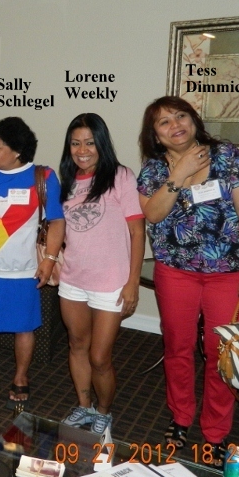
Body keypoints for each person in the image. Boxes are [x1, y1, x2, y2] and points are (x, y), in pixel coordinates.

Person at [137, 96, 239, 467]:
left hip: (227, 274)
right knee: (177, 347)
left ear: (194, 121)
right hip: (175, 272)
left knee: (221, 353)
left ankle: (216, 433)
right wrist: (179, 173)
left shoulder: (227, 156)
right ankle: (180, 417)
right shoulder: (153, 169)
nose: (175, 125)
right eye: (164, 122)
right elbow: (153, 214)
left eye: (181, 116)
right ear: (155, 135)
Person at [0, 117, 65, 408]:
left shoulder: (43, 177)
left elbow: (57, 221)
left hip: (21, 269)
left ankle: (21, 376)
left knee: (24, 326)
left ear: (18, 150)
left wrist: (49, 260)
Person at [57, 113, 145, 435]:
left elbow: (137, 231)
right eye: (75, 143)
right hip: (73, 279)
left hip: (111, 283)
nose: (82, 150)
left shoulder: (121, 176)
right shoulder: (67, 181)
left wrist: (133, 282)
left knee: (99, 357)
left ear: (102, 144)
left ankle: (104, 411)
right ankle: (84, 406)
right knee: (77, 345)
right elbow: (62, 229)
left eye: (90, 143)